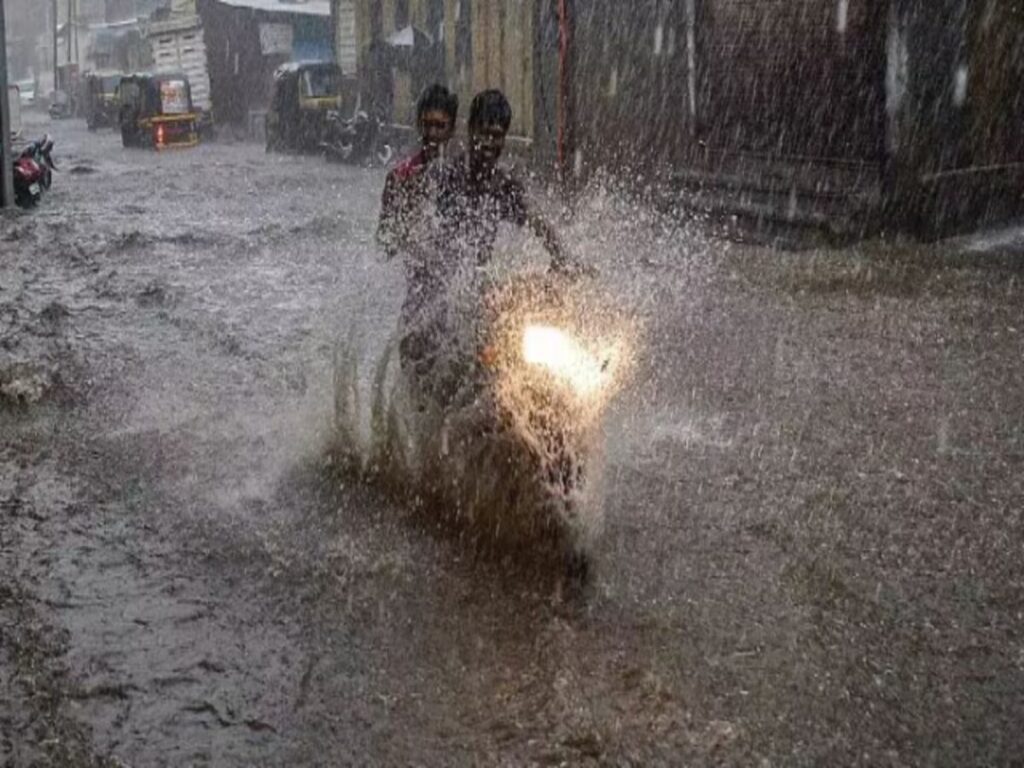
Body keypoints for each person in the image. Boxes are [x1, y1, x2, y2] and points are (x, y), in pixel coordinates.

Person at [377, 84, 458, 258]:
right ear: (418, 126)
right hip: (412, 281)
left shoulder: (461, 179)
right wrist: (409, 209)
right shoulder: (399, 177)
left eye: (440, 126)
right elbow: (384, 247)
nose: (432, 133)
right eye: (426, 125)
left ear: (451, 130)